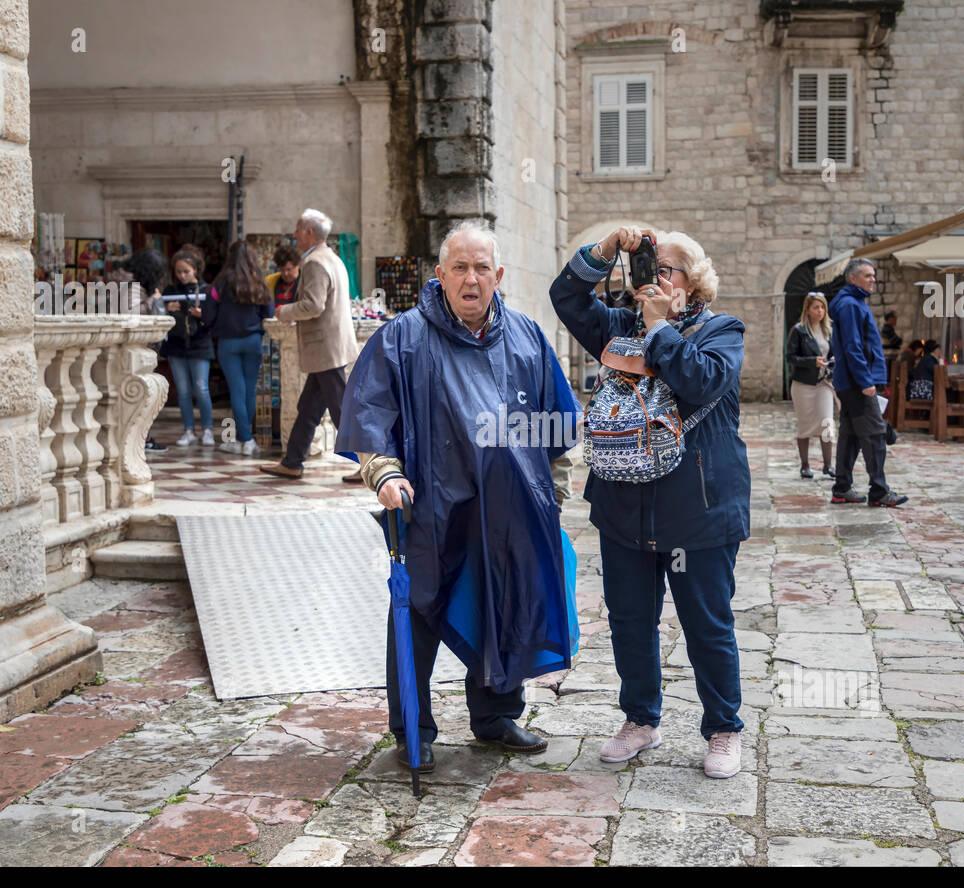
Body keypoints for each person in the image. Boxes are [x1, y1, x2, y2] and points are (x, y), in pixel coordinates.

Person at [336, 221, 579, 771]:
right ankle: (412, 731)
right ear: (440, 275)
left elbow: (555, 428)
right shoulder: (401, 337)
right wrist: (385, 474)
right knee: (417, 612)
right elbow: (372, 414)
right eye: (460, 268)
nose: (471, 279)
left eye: (481, 268)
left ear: (499, 275)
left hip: (512, 512)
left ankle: (495, 716)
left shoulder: (527, 338)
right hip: (432, 507)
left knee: (505, 604)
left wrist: (554, 497)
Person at [550, 224, 750, 779]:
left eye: (666, 270)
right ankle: (640, 720)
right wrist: (605, 252)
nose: (654, 278)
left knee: (707, 622)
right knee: (630, 619)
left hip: (699, 512)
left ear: (695, 282)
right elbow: (565, 298)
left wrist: (661, 326)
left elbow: (701, 380)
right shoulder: (618, 329)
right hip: (624, 509)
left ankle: (723, 728)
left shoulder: (721, 331)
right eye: (648, 268)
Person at [259, 210, 360, 481]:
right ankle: (292, 462)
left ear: (309, 233)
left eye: (297, 229)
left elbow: (314, 305)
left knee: (341, 409)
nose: (294, 234)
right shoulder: (331, 258)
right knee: (309, 408)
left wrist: (285, 310)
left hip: (325, 347)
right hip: (329, 347)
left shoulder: (315, 262)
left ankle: (371, 465)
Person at [829, 259, 908, 508]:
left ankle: (841, 488)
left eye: (873, 275)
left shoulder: (852, 303)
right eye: (867, 275)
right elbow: (853, 346)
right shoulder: (850, 305)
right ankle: (879, 491)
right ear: (853, 278)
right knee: (875, 434)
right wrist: (866, 380)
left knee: (850, 436)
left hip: (850, 380)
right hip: (857, 382)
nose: (873, 279)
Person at [202, 241, 274, 455]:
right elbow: (268, 314)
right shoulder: (259, 283)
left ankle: (245, 439)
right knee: (250, 390)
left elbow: (207, 315)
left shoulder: (220, 284)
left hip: (228, 342)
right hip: (253, 341)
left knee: (236, 390)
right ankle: (247, 440)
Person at [114, 248, 170, 451]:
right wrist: (152, 301)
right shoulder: (132, 287)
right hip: (132, 350)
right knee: (139, 395)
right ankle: (140, 439)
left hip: (133, 351)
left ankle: (142, 437)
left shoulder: (128, 284)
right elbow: (130, 315)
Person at [162, 246, 214, 447]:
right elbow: (161, 318)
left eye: (186, 271)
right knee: (183, 390)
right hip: (176, 345)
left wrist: (203, 314)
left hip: (199, 344)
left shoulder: (207, 290)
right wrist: (165, 308)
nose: (182, 276)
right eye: (178, 272)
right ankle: (188, 429)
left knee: (201, 388)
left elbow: (214, 318)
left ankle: (207, 429)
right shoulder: (170, 291)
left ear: (195, 270)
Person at [786, 292, 837, 479]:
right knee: (805, 424)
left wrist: (832, 361)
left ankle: (828, 465)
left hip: (824, 383)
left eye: (823, 307)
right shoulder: (799, 331)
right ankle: (805, 465)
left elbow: (834, 354)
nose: (820, 311)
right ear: (807, 310)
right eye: (816, 307)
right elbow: (790, 357)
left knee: (827, 422)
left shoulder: (829, 330)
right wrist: (811, 361)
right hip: (803, 385)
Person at [264, 244, 302, 310]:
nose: (285, 273)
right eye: (282, 269)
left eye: (289, 269)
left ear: (298, 265)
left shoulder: (306, 282)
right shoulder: (270, 281)